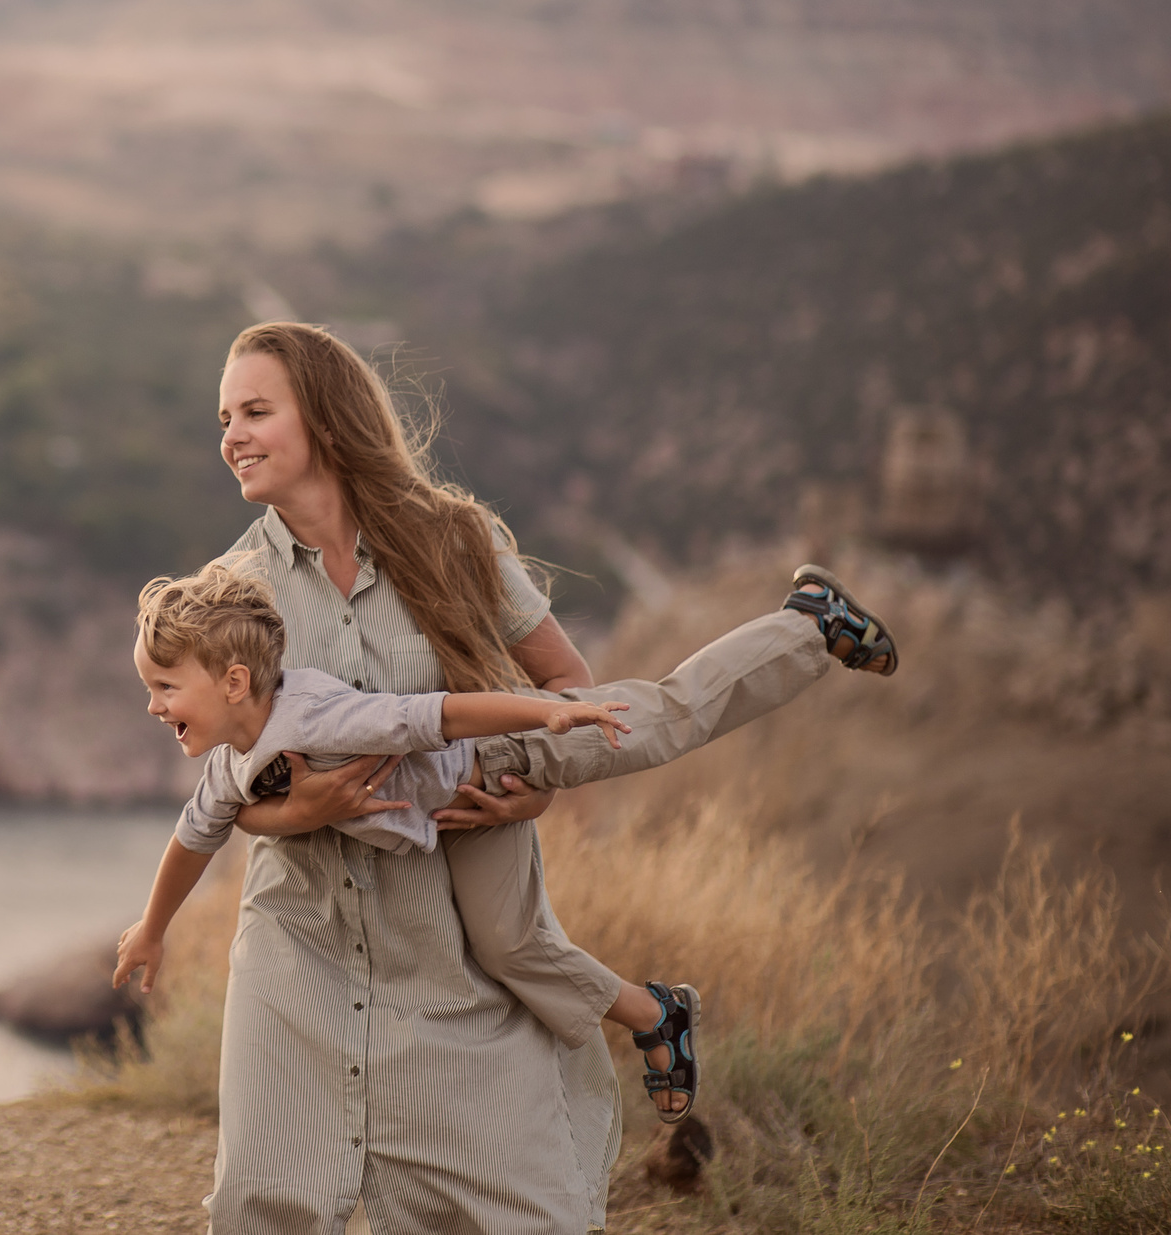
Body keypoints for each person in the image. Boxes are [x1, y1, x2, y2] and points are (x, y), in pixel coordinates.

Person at [194, 319, 898, 1235]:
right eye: (223, 418)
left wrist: (540, 791)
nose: (232, 436)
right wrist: (305, 808)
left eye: (255, 410)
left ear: (325, 419)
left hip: (478, 802)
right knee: (265, 1195)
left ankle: (808, 626)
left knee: (648, 717)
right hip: (305, 929)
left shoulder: (455, 536)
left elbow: (567, 681)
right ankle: (655, 1014)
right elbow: (224, 788)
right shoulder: (232, 589)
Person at [113, 561, 723, 1125]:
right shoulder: (226, 767)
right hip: (471, 816)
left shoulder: (318, 720)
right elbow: (192, 840)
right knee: (514, 950)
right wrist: (153, 927)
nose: (151, 705)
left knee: (670, 717)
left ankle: (801, 628)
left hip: (514, 750)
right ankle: (659, 1016)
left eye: (164, 687)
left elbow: (440, 715)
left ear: (235, 682)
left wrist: (546, 716)